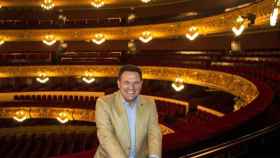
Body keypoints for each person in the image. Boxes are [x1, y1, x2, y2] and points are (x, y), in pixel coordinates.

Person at [94, 64, 162, 158]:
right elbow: (106, 136)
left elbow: (154, 132)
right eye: (127, 82)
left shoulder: (150, 103)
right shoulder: (104, 103)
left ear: (141, 84)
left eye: (136, 83)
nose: (131, 87)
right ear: (119, 83)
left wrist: (154, 156)